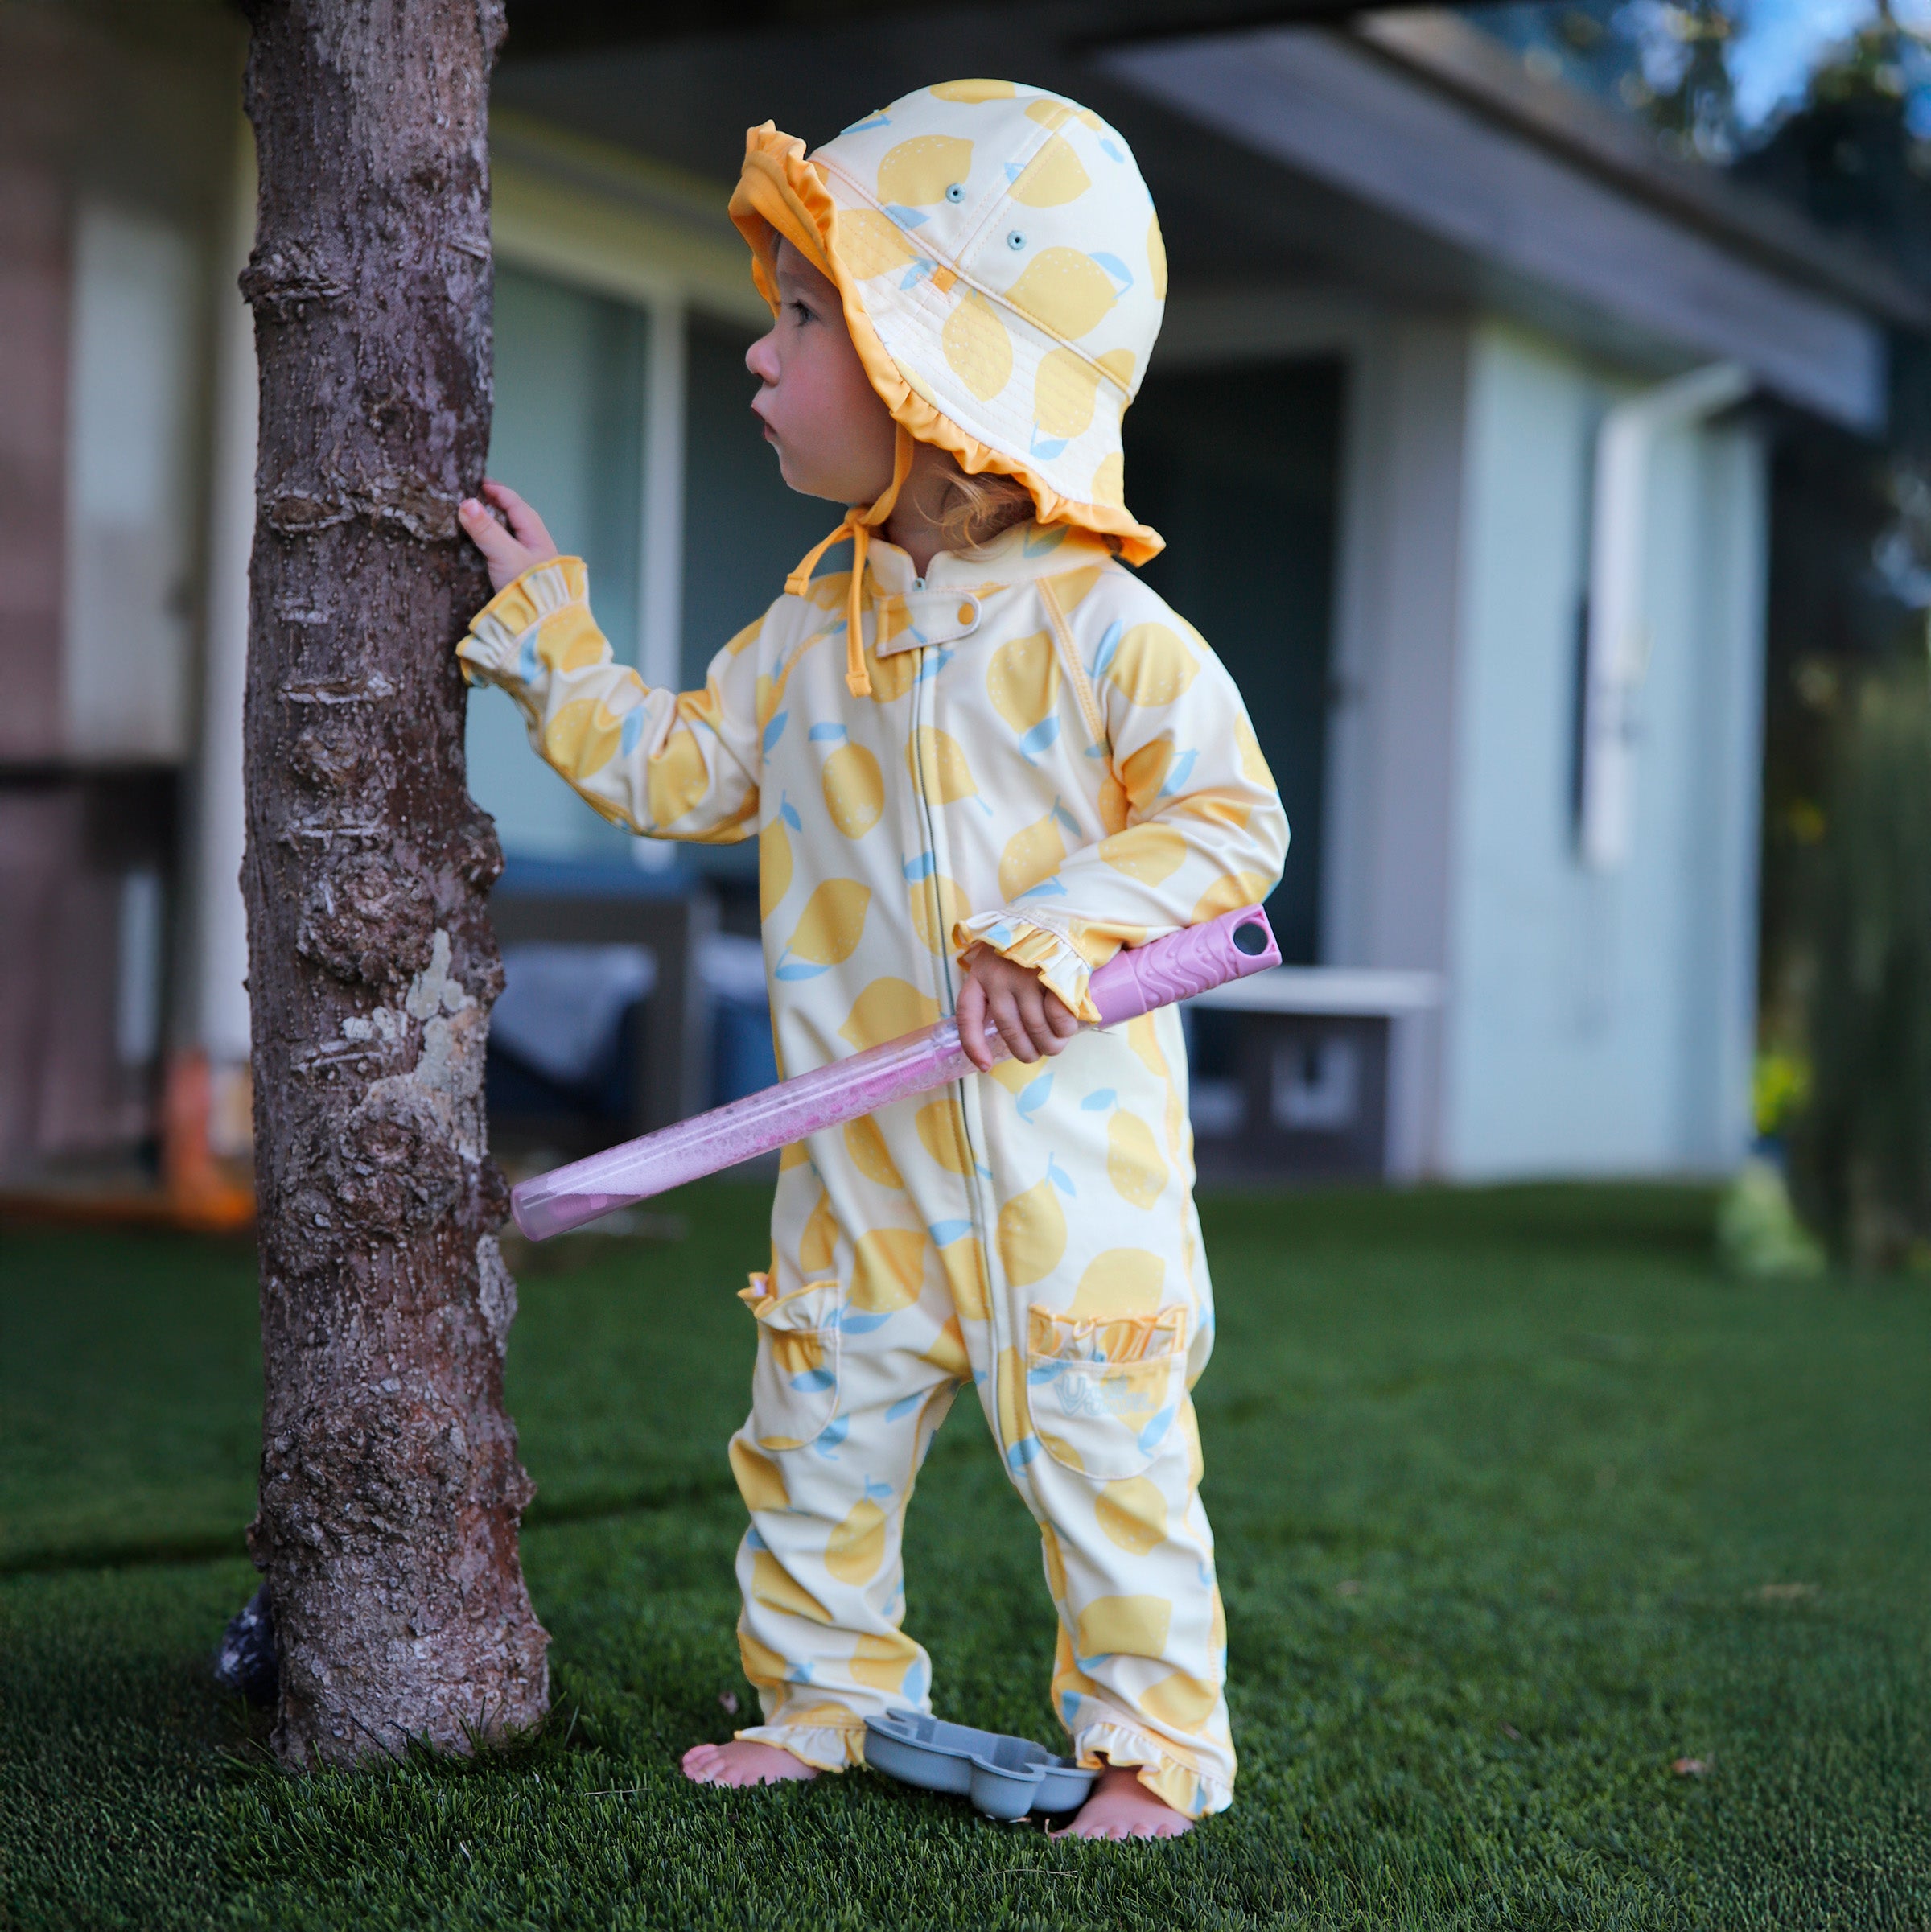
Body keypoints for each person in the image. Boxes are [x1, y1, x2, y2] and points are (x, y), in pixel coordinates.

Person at [457, 80, 1287, 1840]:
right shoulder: (805, 631)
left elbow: (1231, 830)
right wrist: (552, 645)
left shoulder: (1106, 633)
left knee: (1108, 1466)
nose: (762, 360)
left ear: (940, 371)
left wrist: (1053, 928)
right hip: (863, 1162)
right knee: (813, 1435)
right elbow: (680, 770)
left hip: (1076, 1180)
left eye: (804, 317)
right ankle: (824, 1697)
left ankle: (1152, 1754)